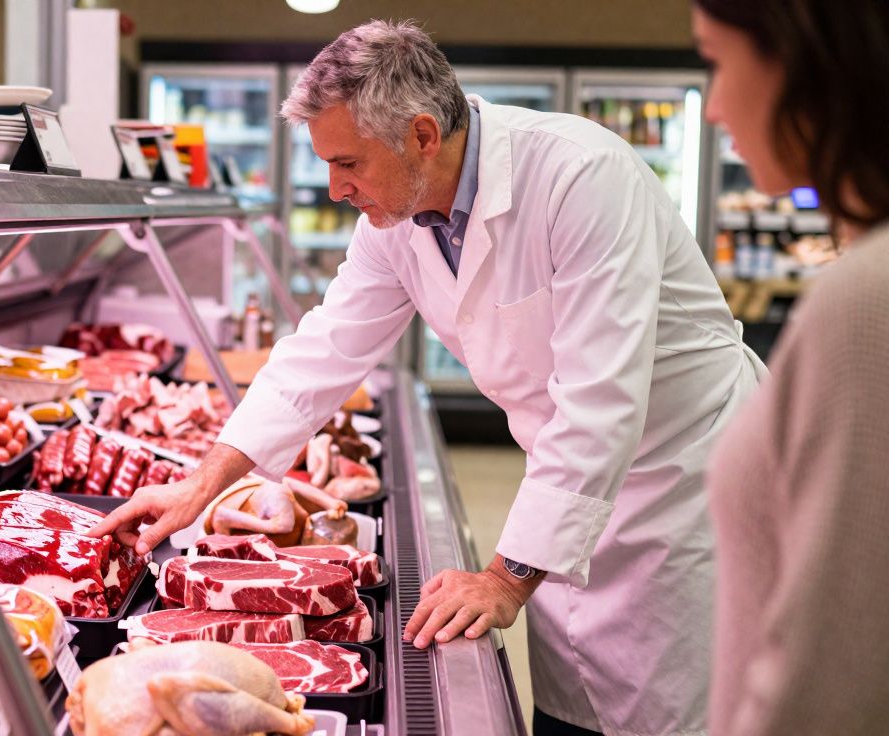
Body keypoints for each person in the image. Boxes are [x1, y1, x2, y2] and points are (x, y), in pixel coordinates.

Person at [93, 20, 765, 735]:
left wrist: (505, 578)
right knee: (576, 708)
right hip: (568, 487)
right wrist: (201, 485)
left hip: (682, 487)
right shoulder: (396, 221)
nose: (336, 188)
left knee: (675, 715)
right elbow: (324, 348)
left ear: (421, 135)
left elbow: (600, 400)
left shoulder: (581, 176)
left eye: (348, 163)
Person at [692, 2, 889, 734]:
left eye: (717, 59)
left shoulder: (865, 302)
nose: (712, 107)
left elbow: (825, 689)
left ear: (804, 61)